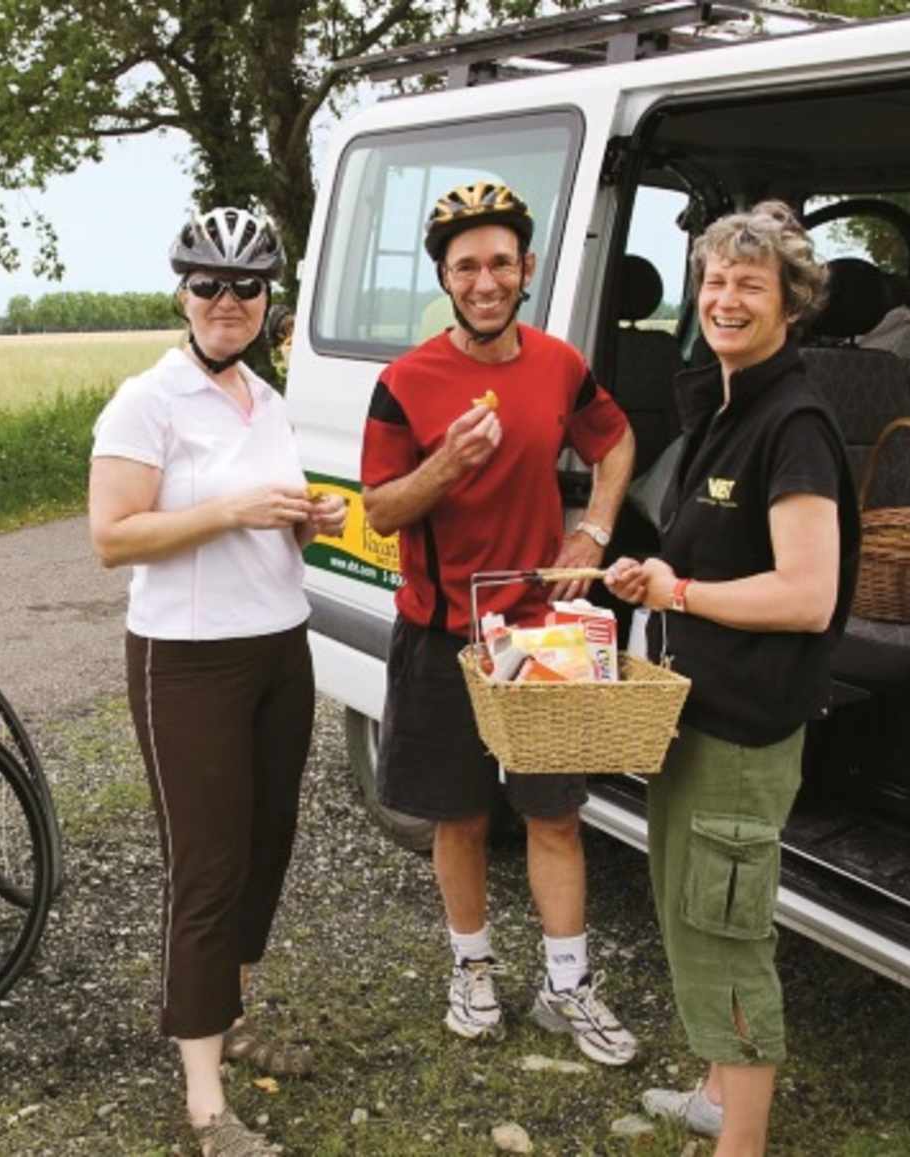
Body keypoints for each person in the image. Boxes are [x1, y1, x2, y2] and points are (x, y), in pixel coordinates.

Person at [359, 181, 640, 1065]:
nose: (485, 280)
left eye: (501, 263)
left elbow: (616, 440)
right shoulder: (404, 384)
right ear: (445, 276)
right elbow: (382, 511)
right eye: (466, 265)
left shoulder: (559, 365)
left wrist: (592, 526)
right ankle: (471, 967)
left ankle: (568, 985)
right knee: (462, 818)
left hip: (541, 632)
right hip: (444, 634)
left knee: (555, 817)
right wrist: (445, 465)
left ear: (527, 271)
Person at [88, 207, 346, 1157]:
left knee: (265, 844)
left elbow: (264, 520)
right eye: (208, 285)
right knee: (204, 868)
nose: (226, 301)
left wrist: (302, 517)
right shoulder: (145, 402)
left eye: (245, 287)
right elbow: (113, 537)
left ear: (269, 300)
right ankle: (207, 1107)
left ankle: (231, 1018)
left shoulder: (264, 399)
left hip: (282, 645)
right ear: (182, 293)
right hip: (187, 658)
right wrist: (231, 507)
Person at [606, 200, 858, 1157]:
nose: (726, 297)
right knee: (687, 906)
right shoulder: (726, 403)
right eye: (715, 281)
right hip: (694, 711)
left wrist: (686, 591)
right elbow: (705, 555)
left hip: (744, 728)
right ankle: (716, 1090)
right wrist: (655, 580)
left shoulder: (793, 421)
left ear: (791, 303)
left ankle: (739, 1144)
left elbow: (806, 593)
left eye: (751, 283)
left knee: (726, 928)